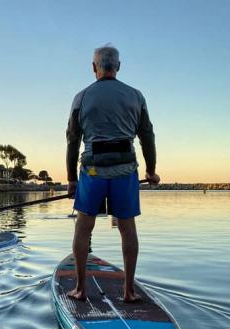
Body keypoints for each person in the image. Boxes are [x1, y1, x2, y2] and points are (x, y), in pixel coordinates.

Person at [66, 45, 160, 303]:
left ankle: (81, 289)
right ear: (118, 66)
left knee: (84, 227)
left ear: (94, 67)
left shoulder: (81, 97)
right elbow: (147, 136)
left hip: (92, 171)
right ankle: (129, 291)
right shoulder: (136, 96)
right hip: (125, 170)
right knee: (127, 228)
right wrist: (151, 171)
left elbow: (72, 140)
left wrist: (72, 180)